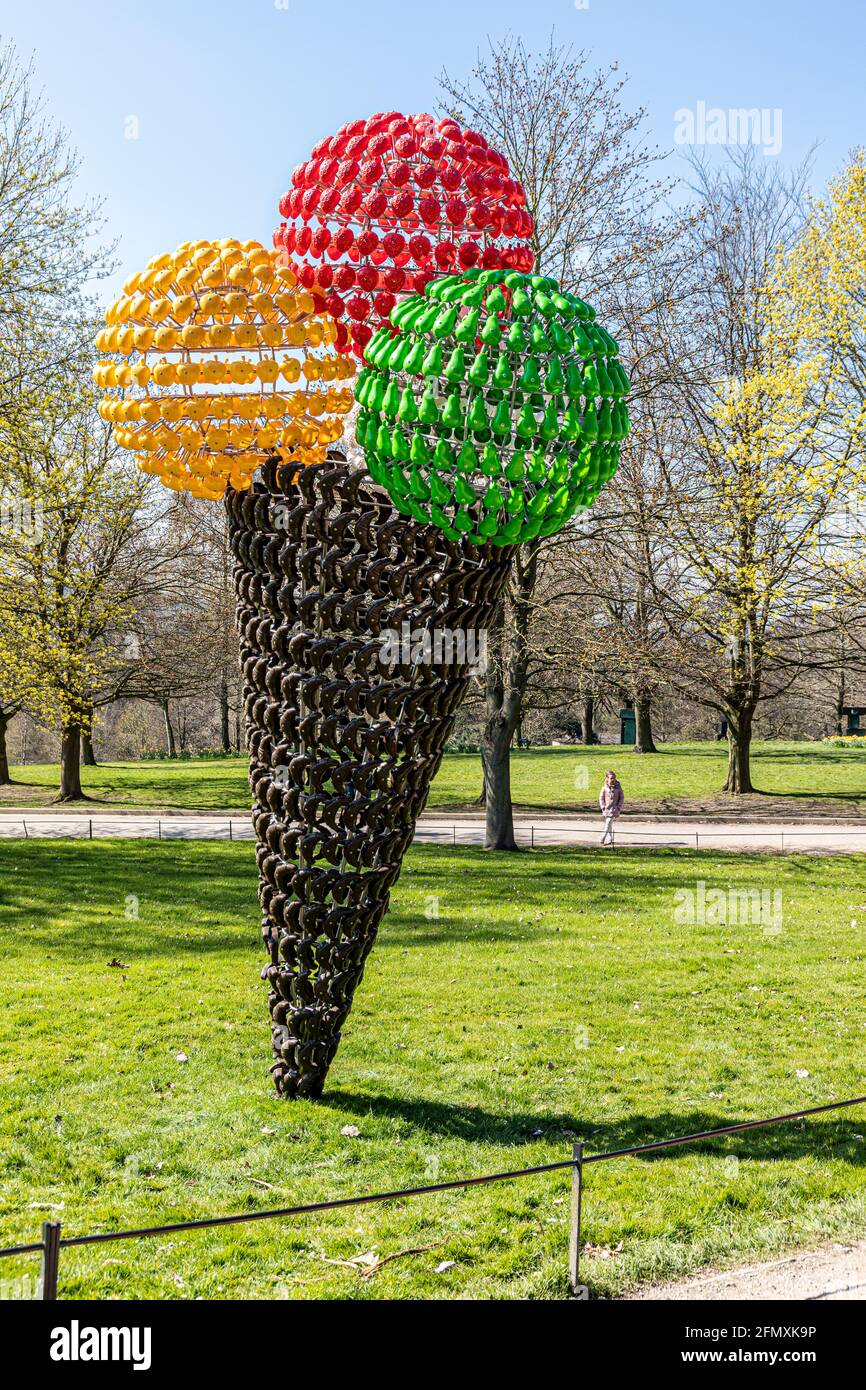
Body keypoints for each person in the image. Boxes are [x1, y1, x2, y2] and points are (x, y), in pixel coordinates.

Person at [599, 769, 624, 847]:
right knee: (609, 825)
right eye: (610, 778)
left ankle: (602, 839)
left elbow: (621, 798)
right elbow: (601, 798)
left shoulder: (618, 788)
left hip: (614, 810)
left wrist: (618, 808)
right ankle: (610, 839)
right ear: (607, 778)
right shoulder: (604, 788)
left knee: (608, 823)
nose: (612, 780)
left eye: (614, 778)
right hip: (607, 809)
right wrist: (603, 807)